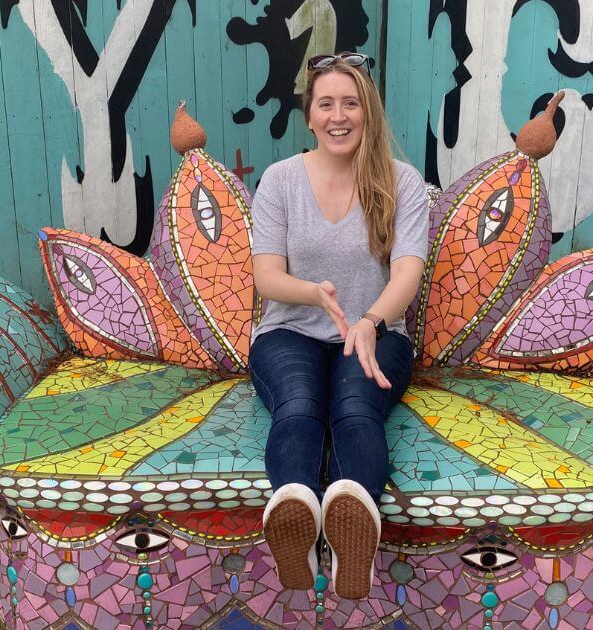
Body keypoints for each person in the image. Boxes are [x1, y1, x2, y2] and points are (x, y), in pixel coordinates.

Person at [248, 51, 428, 600]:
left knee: (353, 406)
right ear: (309, 116)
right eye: (326, 103)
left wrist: (371, 319)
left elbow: (408, 273)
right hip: (289, 332)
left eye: (351, 103)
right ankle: (297, 523)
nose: (338, 115)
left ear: (368, 111)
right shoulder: (280, 181)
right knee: (300, 404)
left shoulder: (401, 181)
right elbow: (265, 277)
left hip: (375, 335)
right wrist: (314, 294)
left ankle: (356, 529)